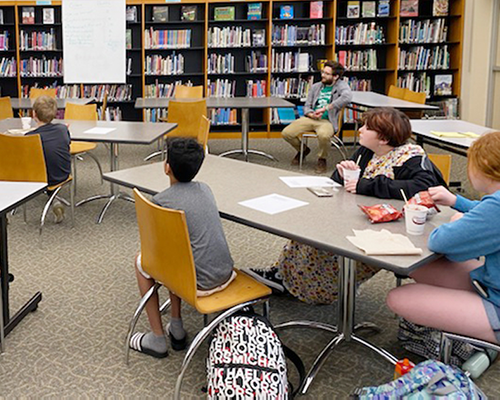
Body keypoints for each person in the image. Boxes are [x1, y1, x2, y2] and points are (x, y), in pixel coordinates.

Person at [247, 108, 446, 304]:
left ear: (383, 138)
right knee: (307, 230)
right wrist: (342, 173)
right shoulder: (368, 151)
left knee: (327, 243)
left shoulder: (410, 156)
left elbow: (426, 187)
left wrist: (366, 185)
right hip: (360, 216)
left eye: (367, 128)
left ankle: (311, 288)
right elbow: (341, 180)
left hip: (391, 230)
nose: (360, 130)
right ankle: (283, 274)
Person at [388, 131, 500, 345]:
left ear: (484, 163)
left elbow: (440, 241)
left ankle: (487, 341)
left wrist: (456, 221)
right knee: (417, 265)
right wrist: (456, 201)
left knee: (398, 297)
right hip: (491, 281)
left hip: (496, 304)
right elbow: (485, 212)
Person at [129, 138, 236, 358]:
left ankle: (157, 338)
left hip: (197, 284)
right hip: (225, 274)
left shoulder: (160, 201)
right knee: (176, 254)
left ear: (166, 167)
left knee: (143, 263)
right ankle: (176, 327)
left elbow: (156, 251)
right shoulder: (205, 189)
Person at [281, 60, 352, 173]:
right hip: (311, 118)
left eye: (327, 74)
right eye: (323, 72)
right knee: (287, 133)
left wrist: (326, 108)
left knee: (324, 135)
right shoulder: (316, 87)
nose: (323, 75)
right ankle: (303, 150)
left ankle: (322, 159)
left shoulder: (341, 86)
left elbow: (347, 98)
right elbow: (307, 105)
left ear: (335, 76)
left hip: (327, 121)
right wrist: (310, 113)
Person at [27, 95, 71, 223]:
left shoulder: (30, 137)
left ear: (34, 114)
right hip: (62, 174)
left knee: (40, 163)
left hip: (37, 178)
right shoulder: (63, 129)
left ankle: (53, 198)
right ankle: (54, 198)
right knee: (50, 162)